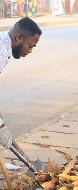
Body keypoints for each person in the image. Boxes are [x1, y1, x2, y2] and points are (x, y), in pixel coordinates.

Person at [0, 17, 42, 148]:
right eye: (30, 46)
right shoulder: (1, 50)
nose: (30, 50)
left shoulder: (3, 44)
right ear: (19, 37)